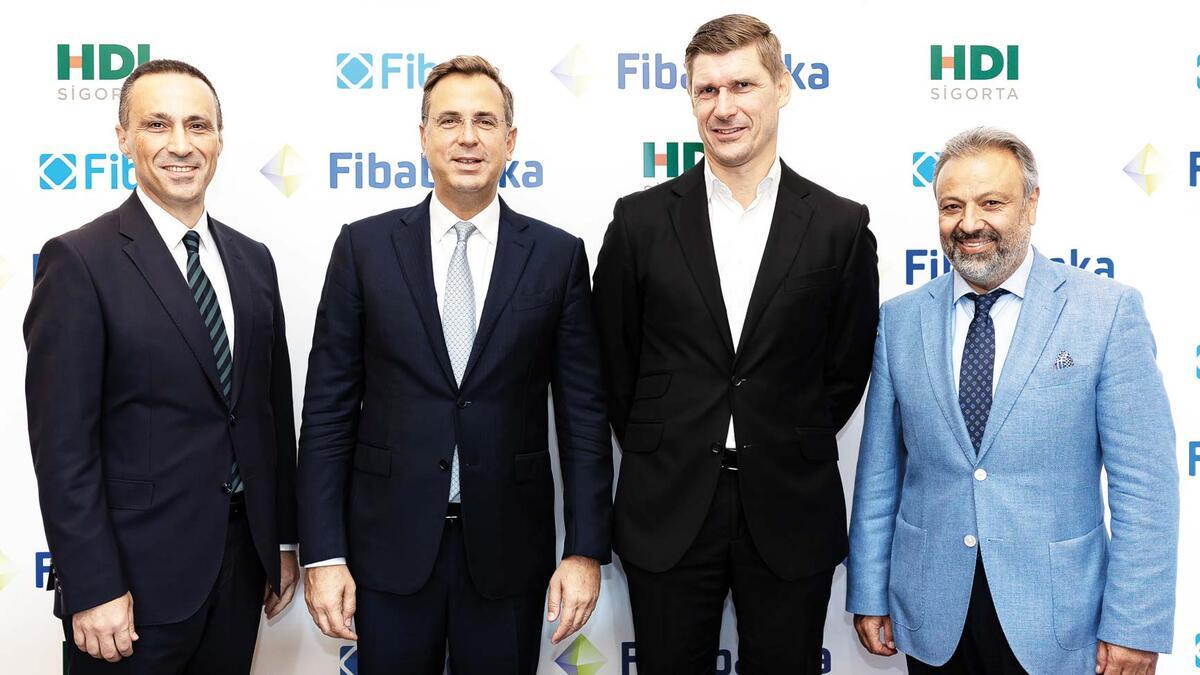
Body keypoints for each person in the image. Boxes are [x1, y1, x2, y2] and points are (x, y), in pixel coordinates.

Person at [297, 55, 612, 674]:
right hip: (385, 551)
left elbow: (583, 417)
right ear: (423, 138)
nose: (468, 137)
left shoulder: (557, 256)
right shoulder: (363, 248)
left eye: (485, 122)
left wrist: (584, 551)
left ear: (510, 141)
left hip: (508, 554)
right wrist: (324, 553)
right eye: (449, 121)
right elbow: (328, 409)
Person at [592, 14, 878, 673]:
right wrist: (668, 438)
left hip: (790, 507)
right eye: (707, 90)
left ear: (782, 86)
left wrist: (779, 429)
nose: (724, 107)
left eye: (742, 85)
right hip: (667, 507)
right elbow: (614, 363)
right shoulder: (639, 221)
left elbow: (844, 369)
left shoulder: (839, 226)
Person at [846, 127, 1178, 674]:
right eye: (952, 206)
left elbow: (1144, 486)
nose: (969, 223)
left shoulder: (1106, 312)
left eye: (991, 203)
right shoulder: (900, 320)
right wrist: (869, 589)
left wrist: (1134, 625)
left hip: (1060, 620)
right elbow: (880, 474)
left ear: (1031, 203)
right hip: (932, 613)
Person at [25, 58, 299, 674]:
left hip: (240, 572)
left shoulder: (253, 261)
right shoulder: (79, 261)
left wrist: (280, 539)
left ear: (219, 141)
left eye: (198, 125)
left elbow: (268, 412)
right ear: (123, 139)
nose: (181, 144)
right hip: (128, 589)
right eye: (157, 124)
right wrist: (92, 584)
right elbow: (62, 446)